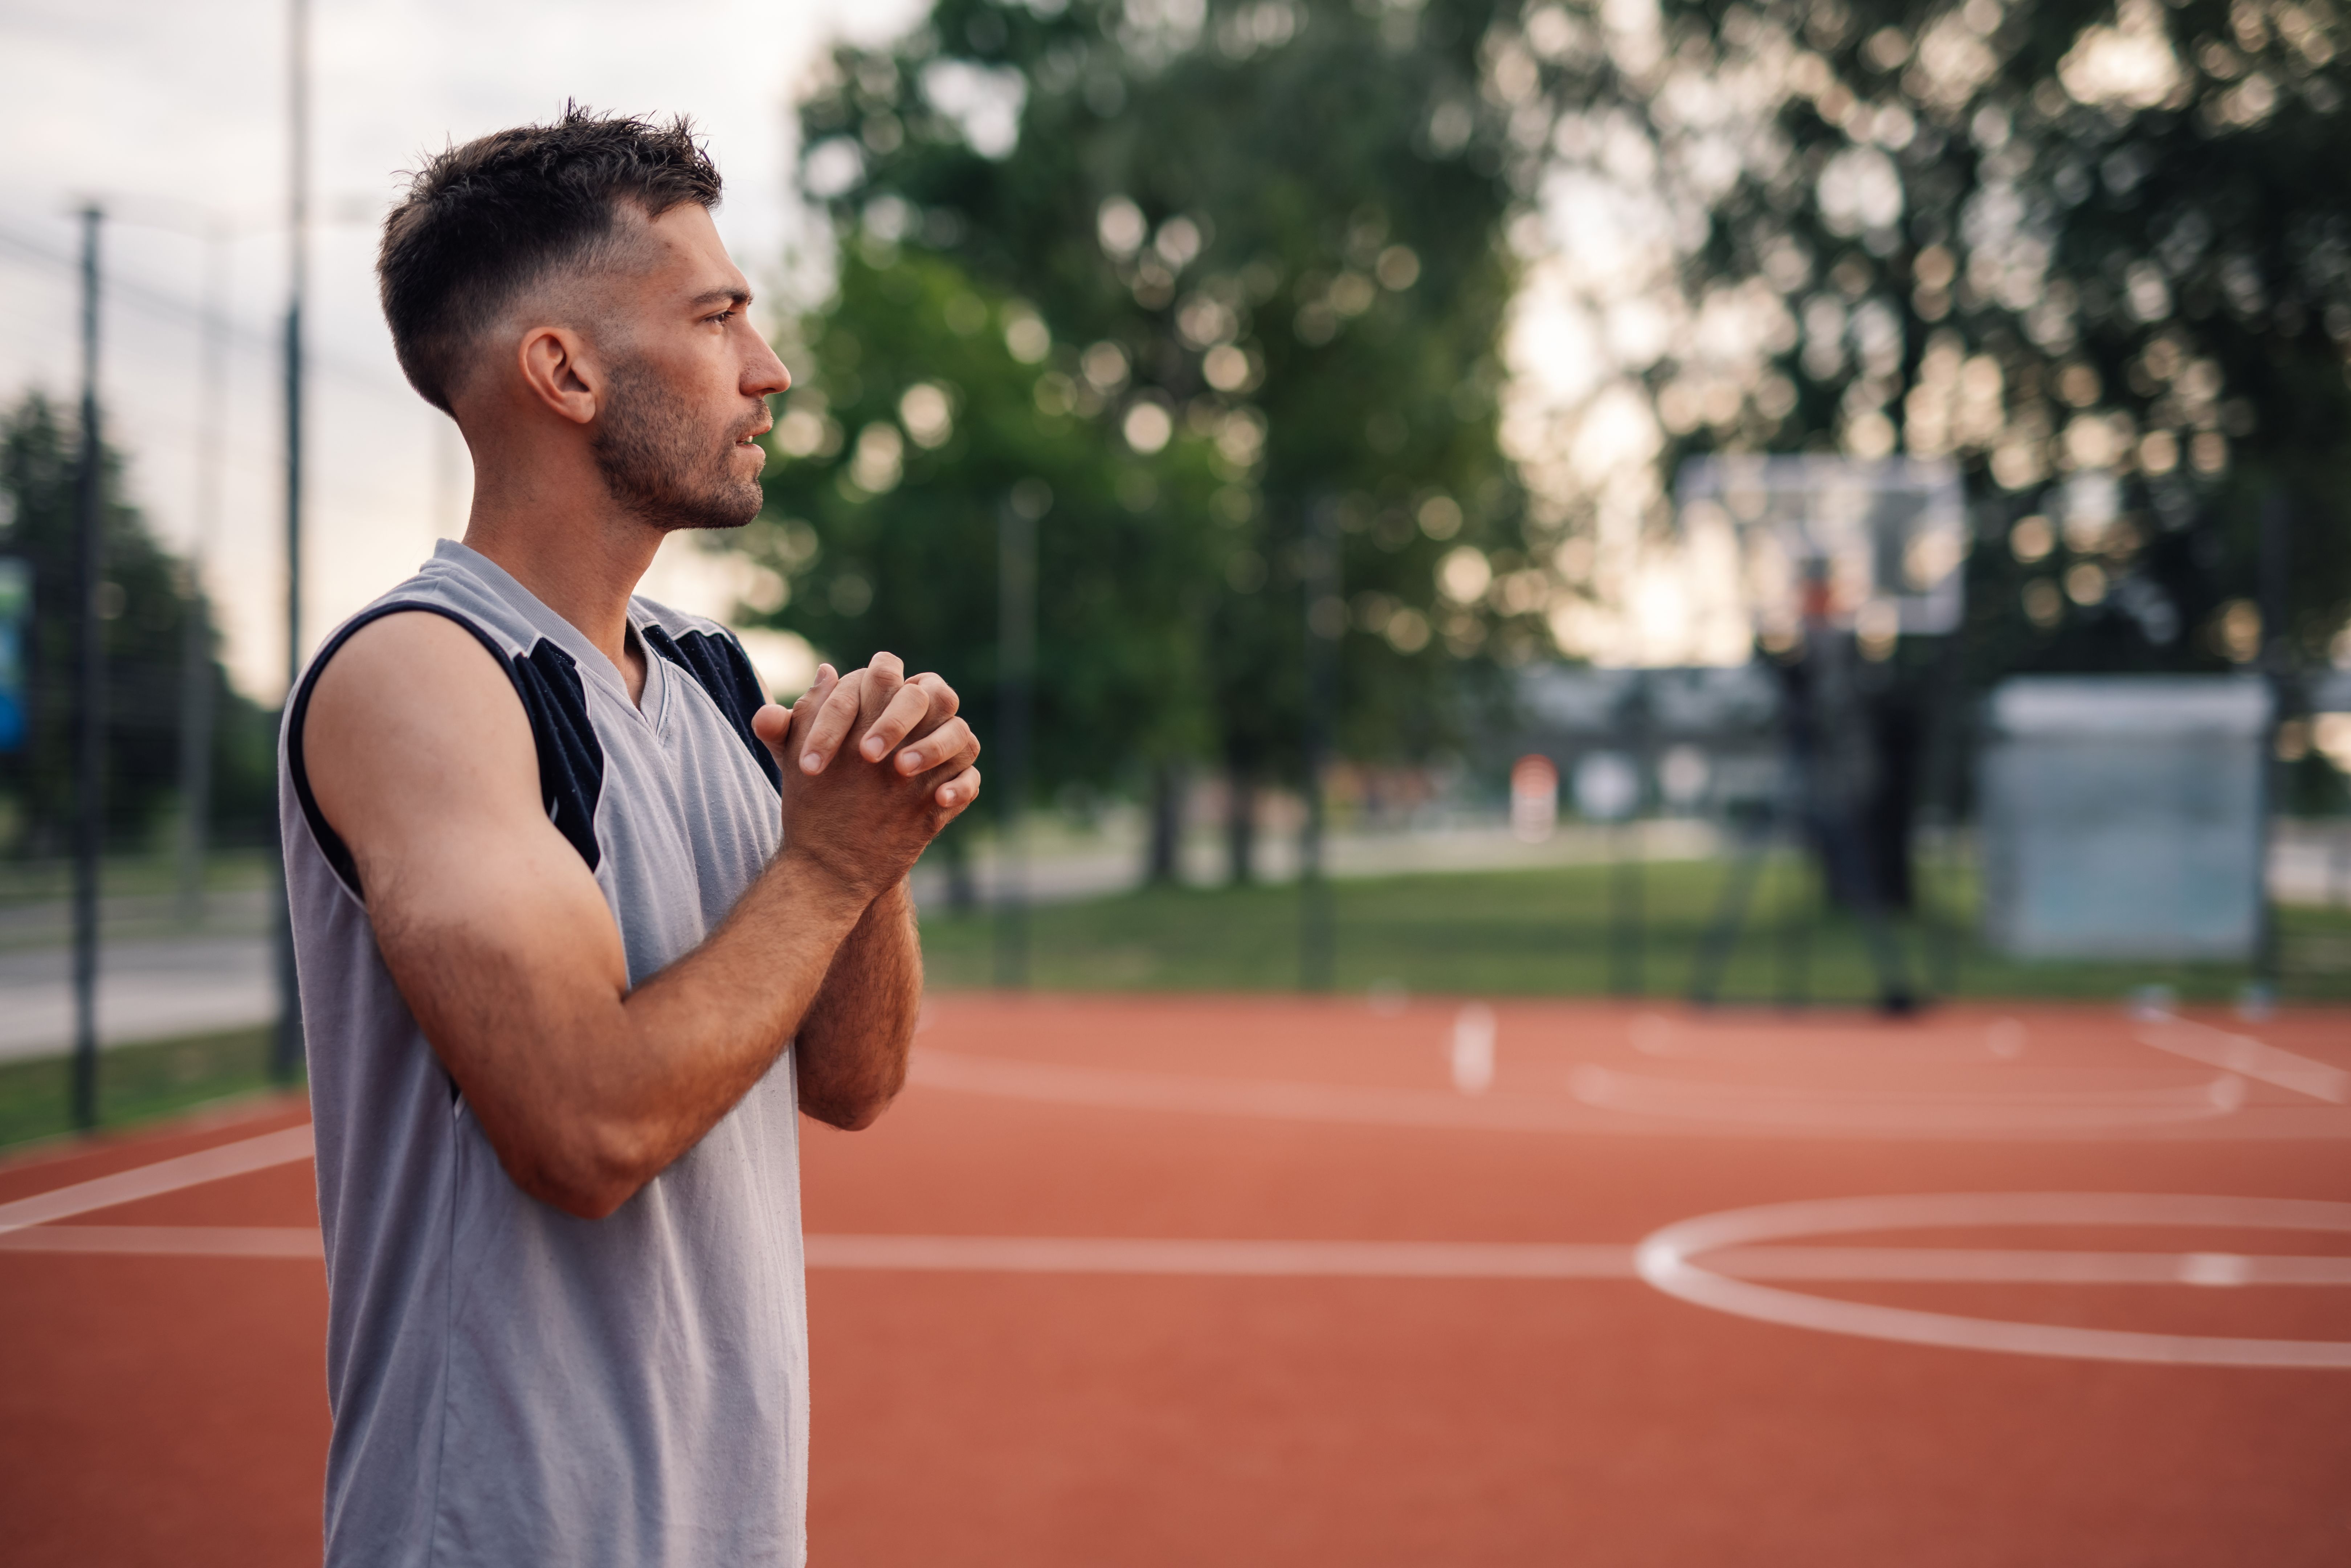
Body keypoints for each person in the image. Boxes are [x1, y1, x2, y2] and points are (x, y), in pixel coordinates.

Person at [279, 107, 978, 1567]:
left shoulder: (714, 678)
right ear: (567, 371)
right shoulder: (420, 678)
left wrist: (876, 837)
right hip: (499, 1534)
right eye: (718, 316)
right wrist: (831, 863)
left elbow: (852, 1080)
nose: (767, 367)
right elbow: (585, 1130)